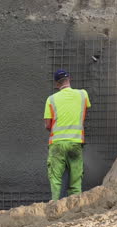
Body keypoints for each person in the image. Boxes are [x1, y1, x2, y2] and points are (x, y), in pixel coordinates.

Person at [44, 69, 91, 200]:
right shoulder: (83, 95)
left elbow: (48, 125)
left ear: (56, 84)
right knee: (75, 180)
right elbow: (83, 112)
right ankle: (74, 208)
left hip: (57, 144)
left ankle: (54, 206)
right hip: (76, 143)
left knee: (56, 179)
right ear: (69, 79)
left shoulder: (51, 99)